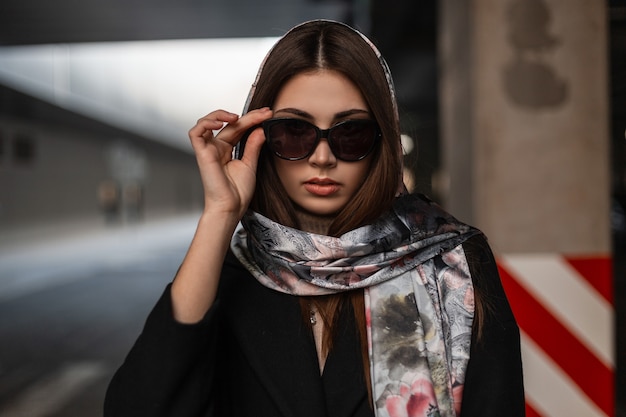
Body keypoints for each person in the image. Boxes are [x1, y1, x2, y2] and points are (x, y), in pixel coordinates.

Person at [104, 20, 525, 417]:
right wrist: (219, 214)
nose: (322, 157)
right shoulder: (234, 275)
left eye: (350, 133)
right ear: (261, 140)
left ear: (383, 142)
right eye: (294, 133)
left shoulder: (454, 262)